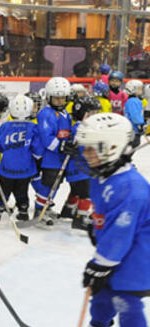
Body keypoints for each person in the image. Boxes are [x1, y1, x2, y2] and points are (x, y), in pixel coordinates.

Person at [74, 113, 150, 327]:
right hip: (115, 252)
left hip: (138, 257)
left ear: (114, 148)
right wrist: (95, 227)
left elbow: (122, 234)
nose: (87, 154)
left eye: (93, 149)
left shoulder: (132, 189)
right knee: (102, 294)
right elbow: (105, 215)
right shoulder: (102, 176)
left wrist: (100, 263)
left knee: (125, 301)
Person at [0, 95, 42, 223]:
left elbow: (0, 146)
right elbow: (38, 151)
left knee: (2, 190)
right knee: (22, 191)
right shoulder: (33, 127)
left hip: (7, 169)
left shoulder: (5, 126)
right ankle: (23, 211)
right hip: (26, 170)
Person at [34, 76, 73, 227]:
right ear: (49, 97)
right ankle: (39, 210)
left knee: (55, 185)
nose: (60, 101)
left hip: (61, 158)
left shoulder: (65, 114)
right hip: (50, 157)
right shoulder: (46, 113)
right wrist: (61, 146)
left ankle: (46, 207)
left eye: (62, 98)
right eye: (56, 98)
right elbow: (46, 137)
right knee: (48, 184)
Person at [58, 96, 100, 231]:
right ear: (84, 114)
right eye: (92, 114)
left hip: (75, 170)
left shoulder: (79, 127)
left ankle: (68, 210)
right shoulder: (82, 129)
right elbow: (84, 149)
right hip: (81, 170)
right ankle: (80, 219)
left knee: (75, 192)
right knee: (86, 194)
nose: (95, 117)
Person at [123, 79, 145, 147]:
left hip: (132, 128)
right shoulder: (133, 101)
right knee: (134, 144)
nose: (141, 91)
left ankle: (126, 157)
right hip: (133, 129)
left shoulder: (132, 100)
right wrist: (140, 124)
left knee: (133, 145)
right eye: (140, 89)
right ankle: (126, 157)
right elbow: (135, 115)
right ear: (134, 90)